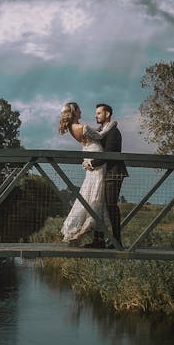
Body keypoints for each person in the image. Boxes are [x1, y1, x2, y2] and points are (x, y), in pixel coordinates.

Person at [57, 102, 117, 246]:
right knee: (96, 195)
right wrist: (112, 124)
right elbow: (101, 135)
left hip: (90, 159)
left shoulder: (73, 128)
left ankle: (97, 237)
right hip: (97, 162)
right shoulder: (82, 127)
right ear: (74, 112)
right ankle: (88, 232)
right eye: (79, 109)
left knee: (90, 194)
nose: (81, 111)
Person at [88, 103, 128, 249]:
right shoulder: (102, 131)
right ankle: (99, 240)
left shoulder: (113, 132)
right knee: (99, 205)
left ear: (108, 114)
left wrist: (92, 163)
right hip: (105, 172)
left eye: (99, 113)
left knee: (111, 206)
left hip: (114, 172)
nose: (96, 115)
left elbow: (108, 154)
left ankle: (117, 241)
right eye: (96, 113)